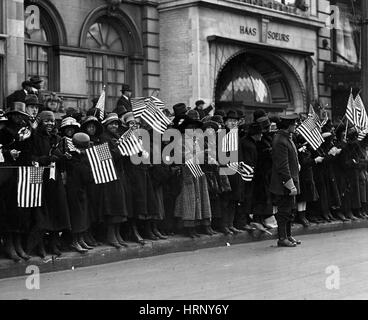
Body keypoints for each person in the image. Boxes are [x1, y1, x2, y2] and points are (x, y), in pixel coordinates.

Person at [270, 114, 301, 247]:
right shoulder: (280, 140)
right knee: (283, 212)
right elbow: (283, 166)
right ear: (288, 125)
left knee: (289, 211)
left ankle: (288, 235)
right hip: (284, 183)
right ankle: (282, 238)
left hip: (291, 180)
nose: (295, 126)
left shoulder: (286, 138)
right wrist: (290, 185)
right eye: (294, 124)